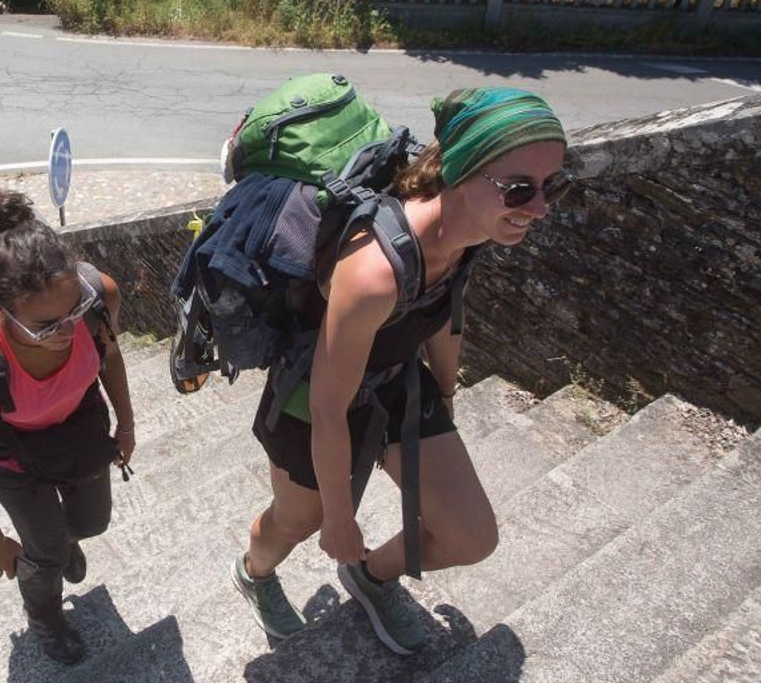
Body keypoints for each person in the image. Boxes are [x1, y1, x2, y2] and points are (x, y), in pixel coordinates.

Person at [232, 87, 571, 653]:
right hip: (317, 397)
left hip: (395, 382)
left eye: (553, 185)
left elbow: (442, 310)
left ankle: (372, 575)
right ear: (462, 172)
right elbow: (326, 406)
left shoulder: (471, 230)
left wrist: (444, 390)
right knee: (300, 522)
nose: (540, 208)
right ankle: (254, 572)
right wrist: (341, 517)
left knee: (470, 536)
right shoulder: (372, 275)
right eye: (520, 189)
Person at [0, 191, 136, 665]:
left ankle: (60, 541)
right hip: (13, 458)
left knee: (93, 523)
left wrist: (126, 424)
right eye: (47, 325)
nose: (68, 331)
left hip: (80, 431)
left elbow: (109, 354)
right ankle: (44, 615)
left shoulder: (98, 297)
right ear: (0, 308)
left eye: (74, 311)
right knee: (45, 552)